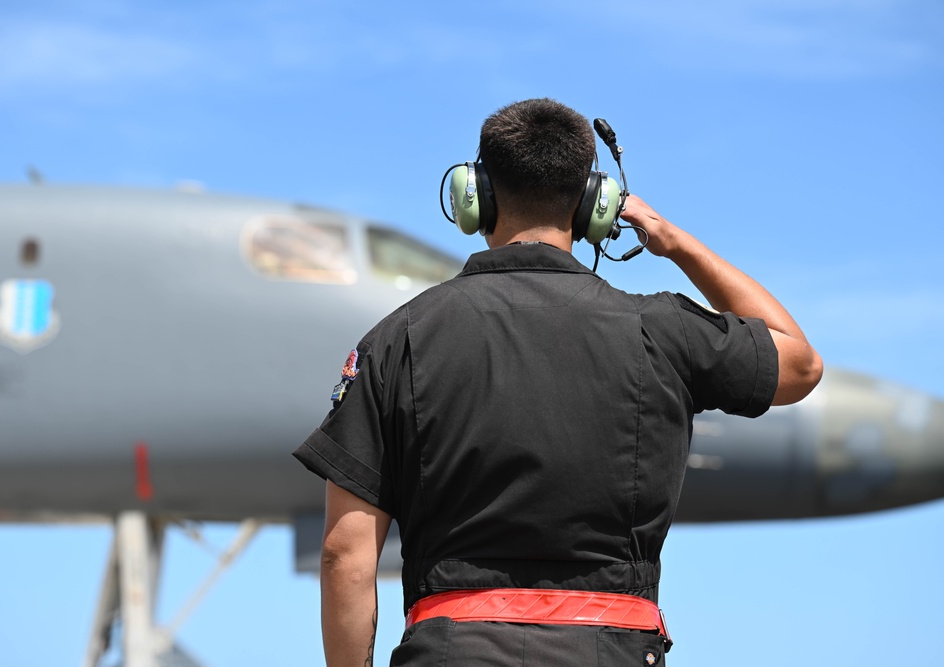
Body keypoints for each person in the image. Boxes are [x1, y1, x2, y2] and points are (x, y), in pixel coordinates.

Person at [293, 98, 823, 666]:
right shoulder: (660, 329)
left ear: (476, 196)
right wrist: (673, 241)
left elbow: (344, 555)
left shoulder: (398, 338)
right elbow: (800, 365)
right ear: (595, 206)